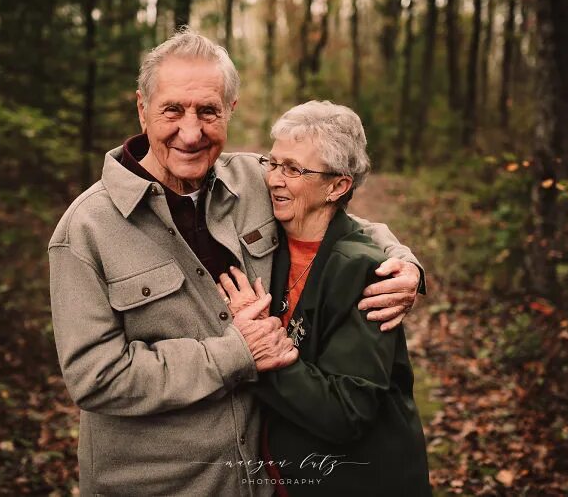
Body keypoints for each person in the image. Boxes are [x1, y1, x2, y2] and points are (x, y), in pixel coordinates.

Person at [48, 29, 426, 496]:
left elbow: (338, 217)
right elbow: (95, 377)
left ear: (231, 110)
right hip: (159, 485)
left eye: (208, 111)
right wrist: (235, 352)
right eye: (172, 110)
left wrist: (404, 264)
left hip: (260, 479)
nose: (191, 132)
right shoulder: (85, 229)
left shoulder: (256, 178)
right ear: (142, 109)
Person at [219, 101, 431, 496]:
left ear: (337, 186)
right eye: (274, 163)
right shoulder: (270, 242)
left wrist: (260, 352)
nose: (274, 180)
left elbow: (346, 413)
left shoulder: (367, 273)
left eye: (295, 169)